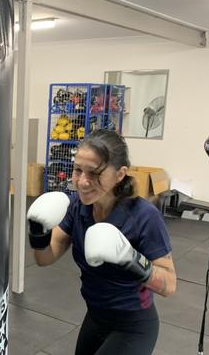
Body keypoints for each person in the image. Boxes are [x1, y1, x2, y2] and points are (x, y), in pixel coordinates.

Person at [27, 129, 176, 355]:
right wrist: (39, 232)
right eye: (78, 170)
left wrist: (130, 259)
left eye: (95, 173)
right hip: (95, 317)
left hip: (133, 326)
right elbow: (45, 258)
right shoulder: (77, 206)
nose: (83, 182)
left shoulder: (143, 216)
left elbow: (169, 285)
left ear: (119, 174)